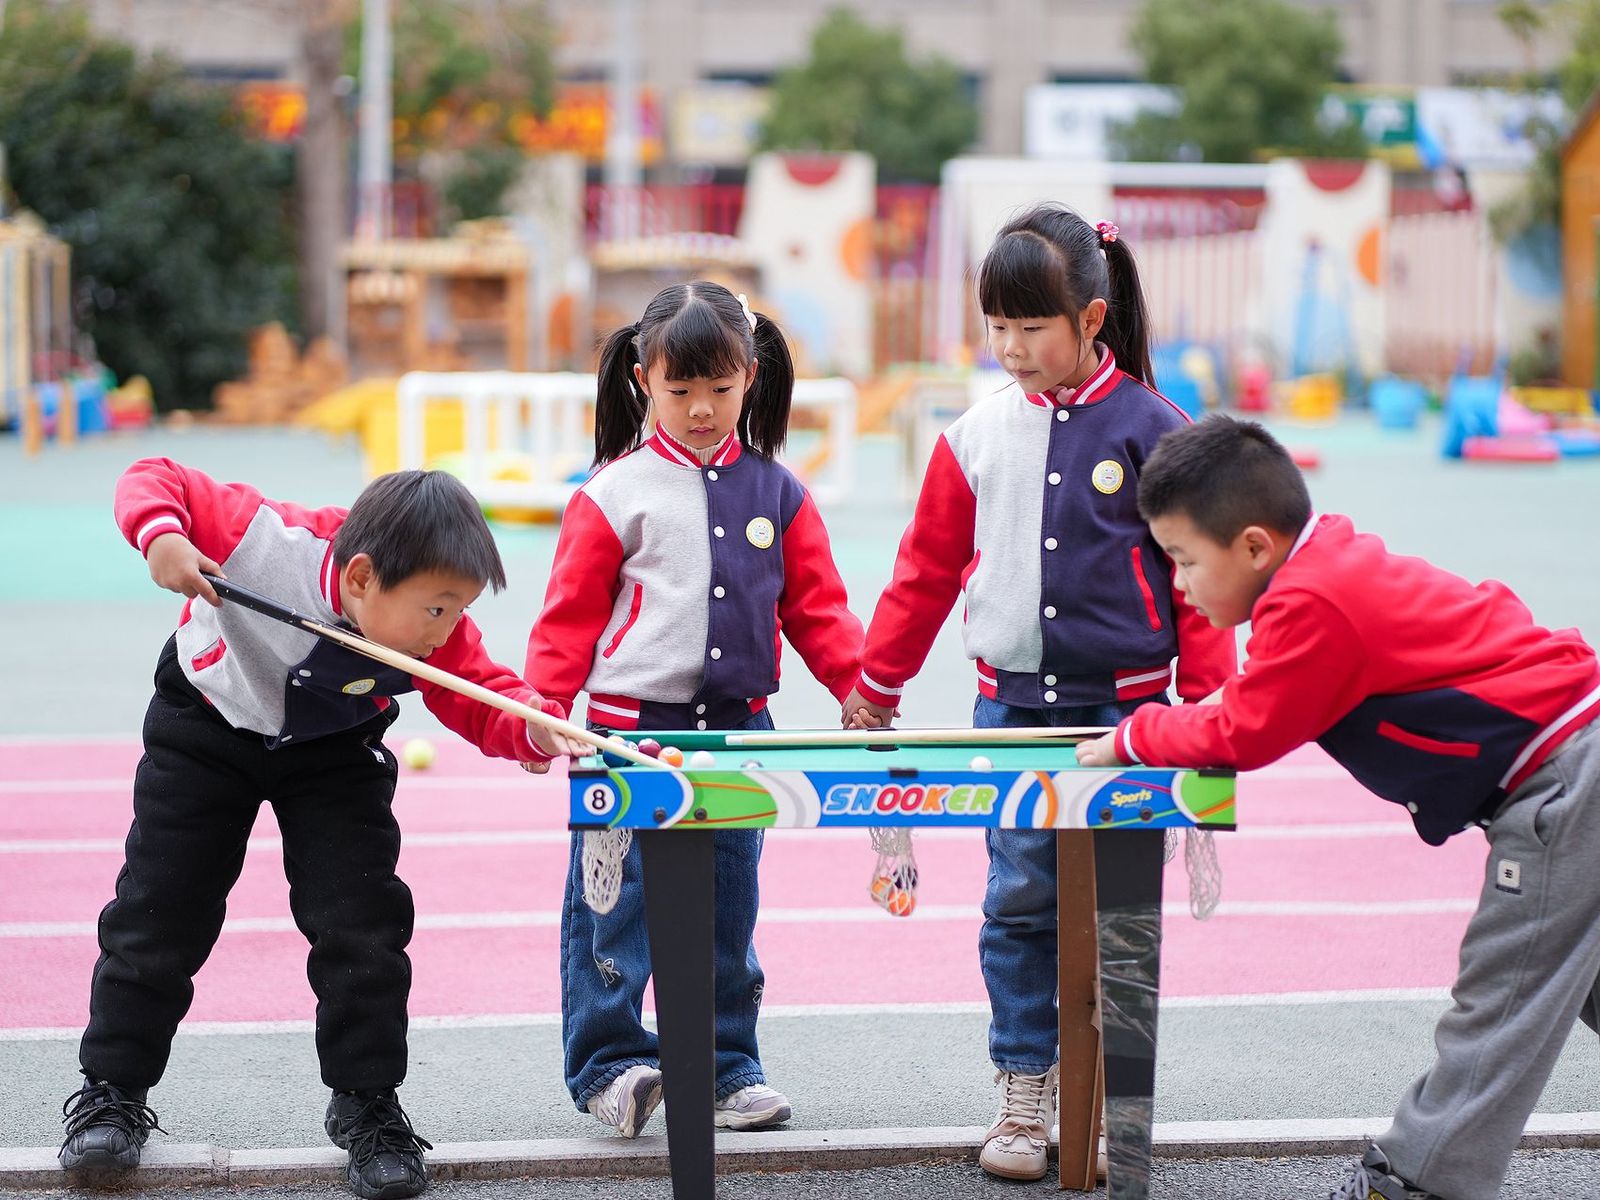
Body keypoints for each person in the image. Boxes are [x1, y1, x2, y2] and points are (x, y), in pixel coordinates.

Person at [1076, 415, 1600, 1200]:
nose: (1178, 585)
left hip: (1564, 780)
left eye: (1183, 562)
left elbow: (1242, 728)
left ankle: (1417, 1180)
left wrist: (1135, 735)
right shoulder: (1328, 562)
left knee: (1505, 993)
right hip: (1575, 753)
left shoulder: (1314, 599)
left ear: (1254, 546)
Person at [842, 204, 1236, 1182]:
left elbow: (1201, 582)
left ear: (1091, 319)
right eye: (998, 327)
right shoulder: (974, 436)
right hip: (1010, 711)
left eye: (1033, 327)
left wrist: (1206, 706)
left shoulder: (1160, 431)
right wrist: (876, 684)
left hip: (1130, 719)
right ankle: (1024, 1087)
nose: (1012, 349)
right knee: (1018, 898)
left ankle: (1105, 1101)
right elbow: (924, 569)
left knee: (1119, 911)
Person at [60, 460, 579, 1200]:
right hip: (205, 729)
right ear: (362, 577)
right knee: (159, 913)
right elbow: (154, 475)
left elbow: (485, 694)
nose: (449, 630)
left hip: (337, 754)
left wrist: (532, 731)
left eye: (459, 609)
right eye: (437, 610)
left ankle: (368, 1105)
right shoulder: (264, 536)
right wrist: (161, 537)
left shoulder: (432, 632)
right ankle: (112, 1092)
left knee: (362, 927)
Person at [525, 282, 864, 1139]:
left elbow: (818, 608)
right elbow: (567, 617)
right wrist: (544, 707)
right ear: (644, 379)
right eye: (681, 391)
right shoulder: (612, 492)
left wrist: (862, 688)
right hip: (628, 736)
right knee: (615, 905)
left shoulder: (779, 493)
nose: (702, 408)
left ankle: (724, 1066)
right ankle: (610, 1065)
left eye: (719, 389)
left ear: (751, 376)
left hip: (739, 734)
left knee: (728, 904)